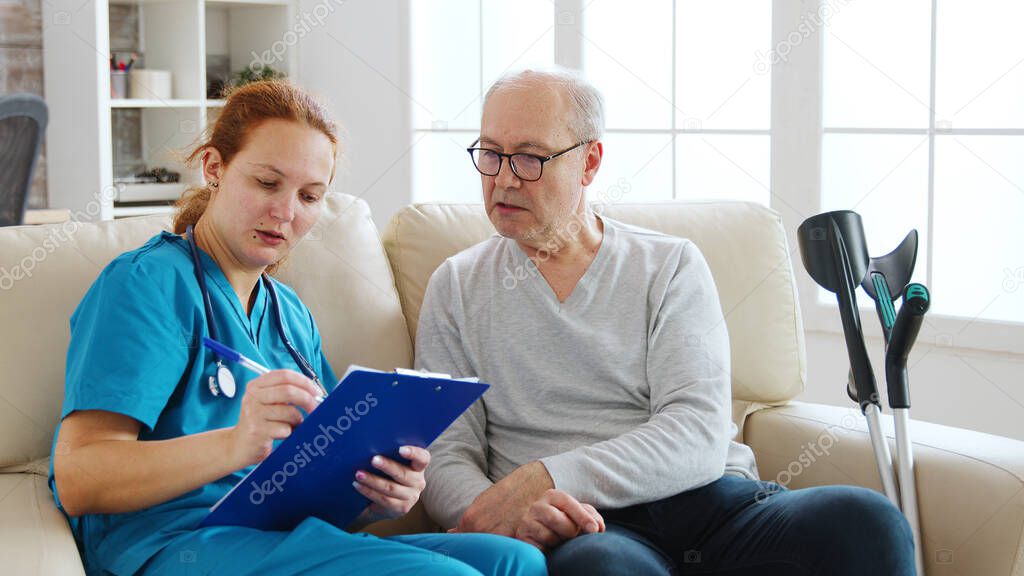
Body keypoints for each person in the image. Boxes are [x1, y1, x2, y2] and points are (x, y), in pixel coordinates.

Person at [416, 68, 916, 576]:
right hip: (593, 529)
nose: (502, 177)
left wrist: (548, 476)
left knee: (870, 520)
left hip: (716, 505)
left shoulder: (668, 265)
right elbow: (444, 455)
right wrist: (505, 513)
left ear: (589, 162)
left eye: (528, 157)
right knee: (601, 568)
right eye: (491, 153)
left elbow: (697, 434)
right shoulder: (456, 287)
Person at [49, 80, 546, 576]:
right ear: (214, 168)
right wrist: (236, 444)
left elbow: (319, 478)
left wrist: (380, 495)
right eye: (267, 183)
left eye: (309, 196)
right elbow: (79, 477)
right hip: (173, 545)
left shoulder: (289, 315)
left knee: (513, 558)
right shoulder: (148, 284)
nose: (285, 213)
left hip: (277, 540)